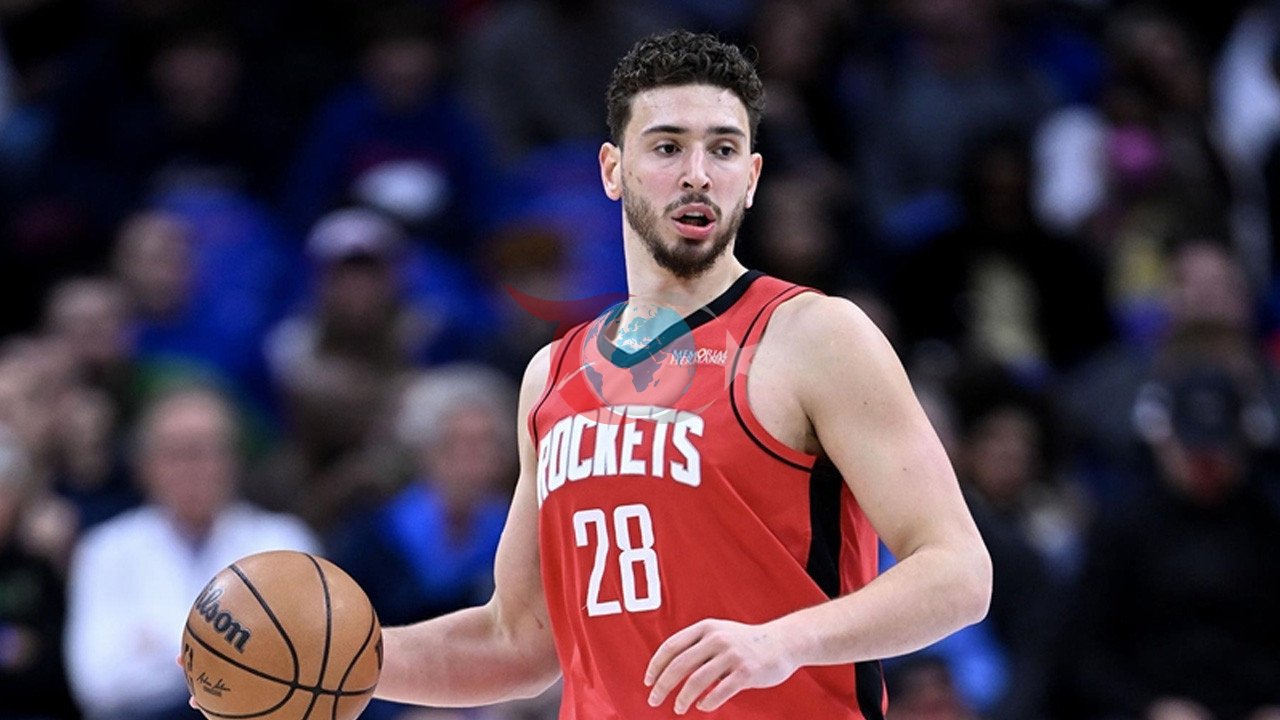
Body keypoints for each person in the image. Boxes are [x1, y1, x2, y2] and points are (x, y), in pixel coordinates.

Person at [190, 30, 990, 719]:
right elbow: (518, 639)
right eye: (667, 147)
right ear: (613, 169)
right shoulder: (554, 376)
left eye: (721, 149)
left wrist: (784, 641)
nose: (697, 173)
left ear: (750, 177)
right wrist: (322, 659)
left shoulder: (814, 336)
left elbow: (958, 573)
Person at [67, 385, 318, 720]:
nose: (191, 467)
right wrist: (236, 652)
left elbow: (303, 665)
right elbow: (98, 682)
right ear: (145, 466)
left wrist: (156, 644)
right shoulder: (105, 549)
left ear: (233, 460)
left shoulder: (283, 542)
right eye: (175, 453)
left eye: (203, 451)